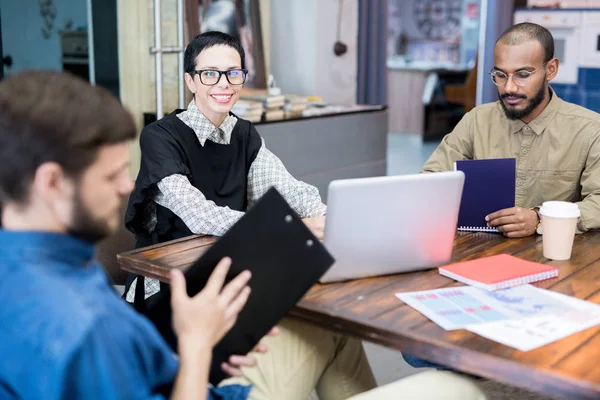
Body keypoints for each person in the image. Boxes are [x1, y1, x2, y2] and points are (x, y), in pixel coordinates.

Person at [0, 71, 487, 400]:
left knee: (324, 328)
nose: (128, 186)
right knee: (459, 389)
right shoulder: (83, 329)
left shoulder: (41, 267)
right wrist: (195, 346)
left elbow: (284, 184)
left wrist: (190, 348)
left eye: (234, 74)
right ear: (51, 183)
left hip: (185, 371)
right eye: (110, 178)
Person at [123, 31, 326, 307]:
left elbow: (289, 190)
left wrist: (327, 218)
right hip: (170, 284)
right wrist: (292, 228)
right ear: (190, 81)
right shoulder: (159, 137)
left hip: (230, 267)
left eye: (233, 73)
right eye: (210, 74)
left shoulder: (243, 134)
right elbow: (198, 216)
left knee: (313, 305)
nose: (224, 84)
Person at [422, 22, 600, 237]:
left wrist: (540, 219)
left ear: (551, 69)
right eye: (500, 74)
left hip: (556, 254)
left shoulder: (590, 129)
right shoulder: (477, 120)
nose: (509, 88)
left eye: (523, 74)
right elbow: (430, 181)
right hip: (481, 250)